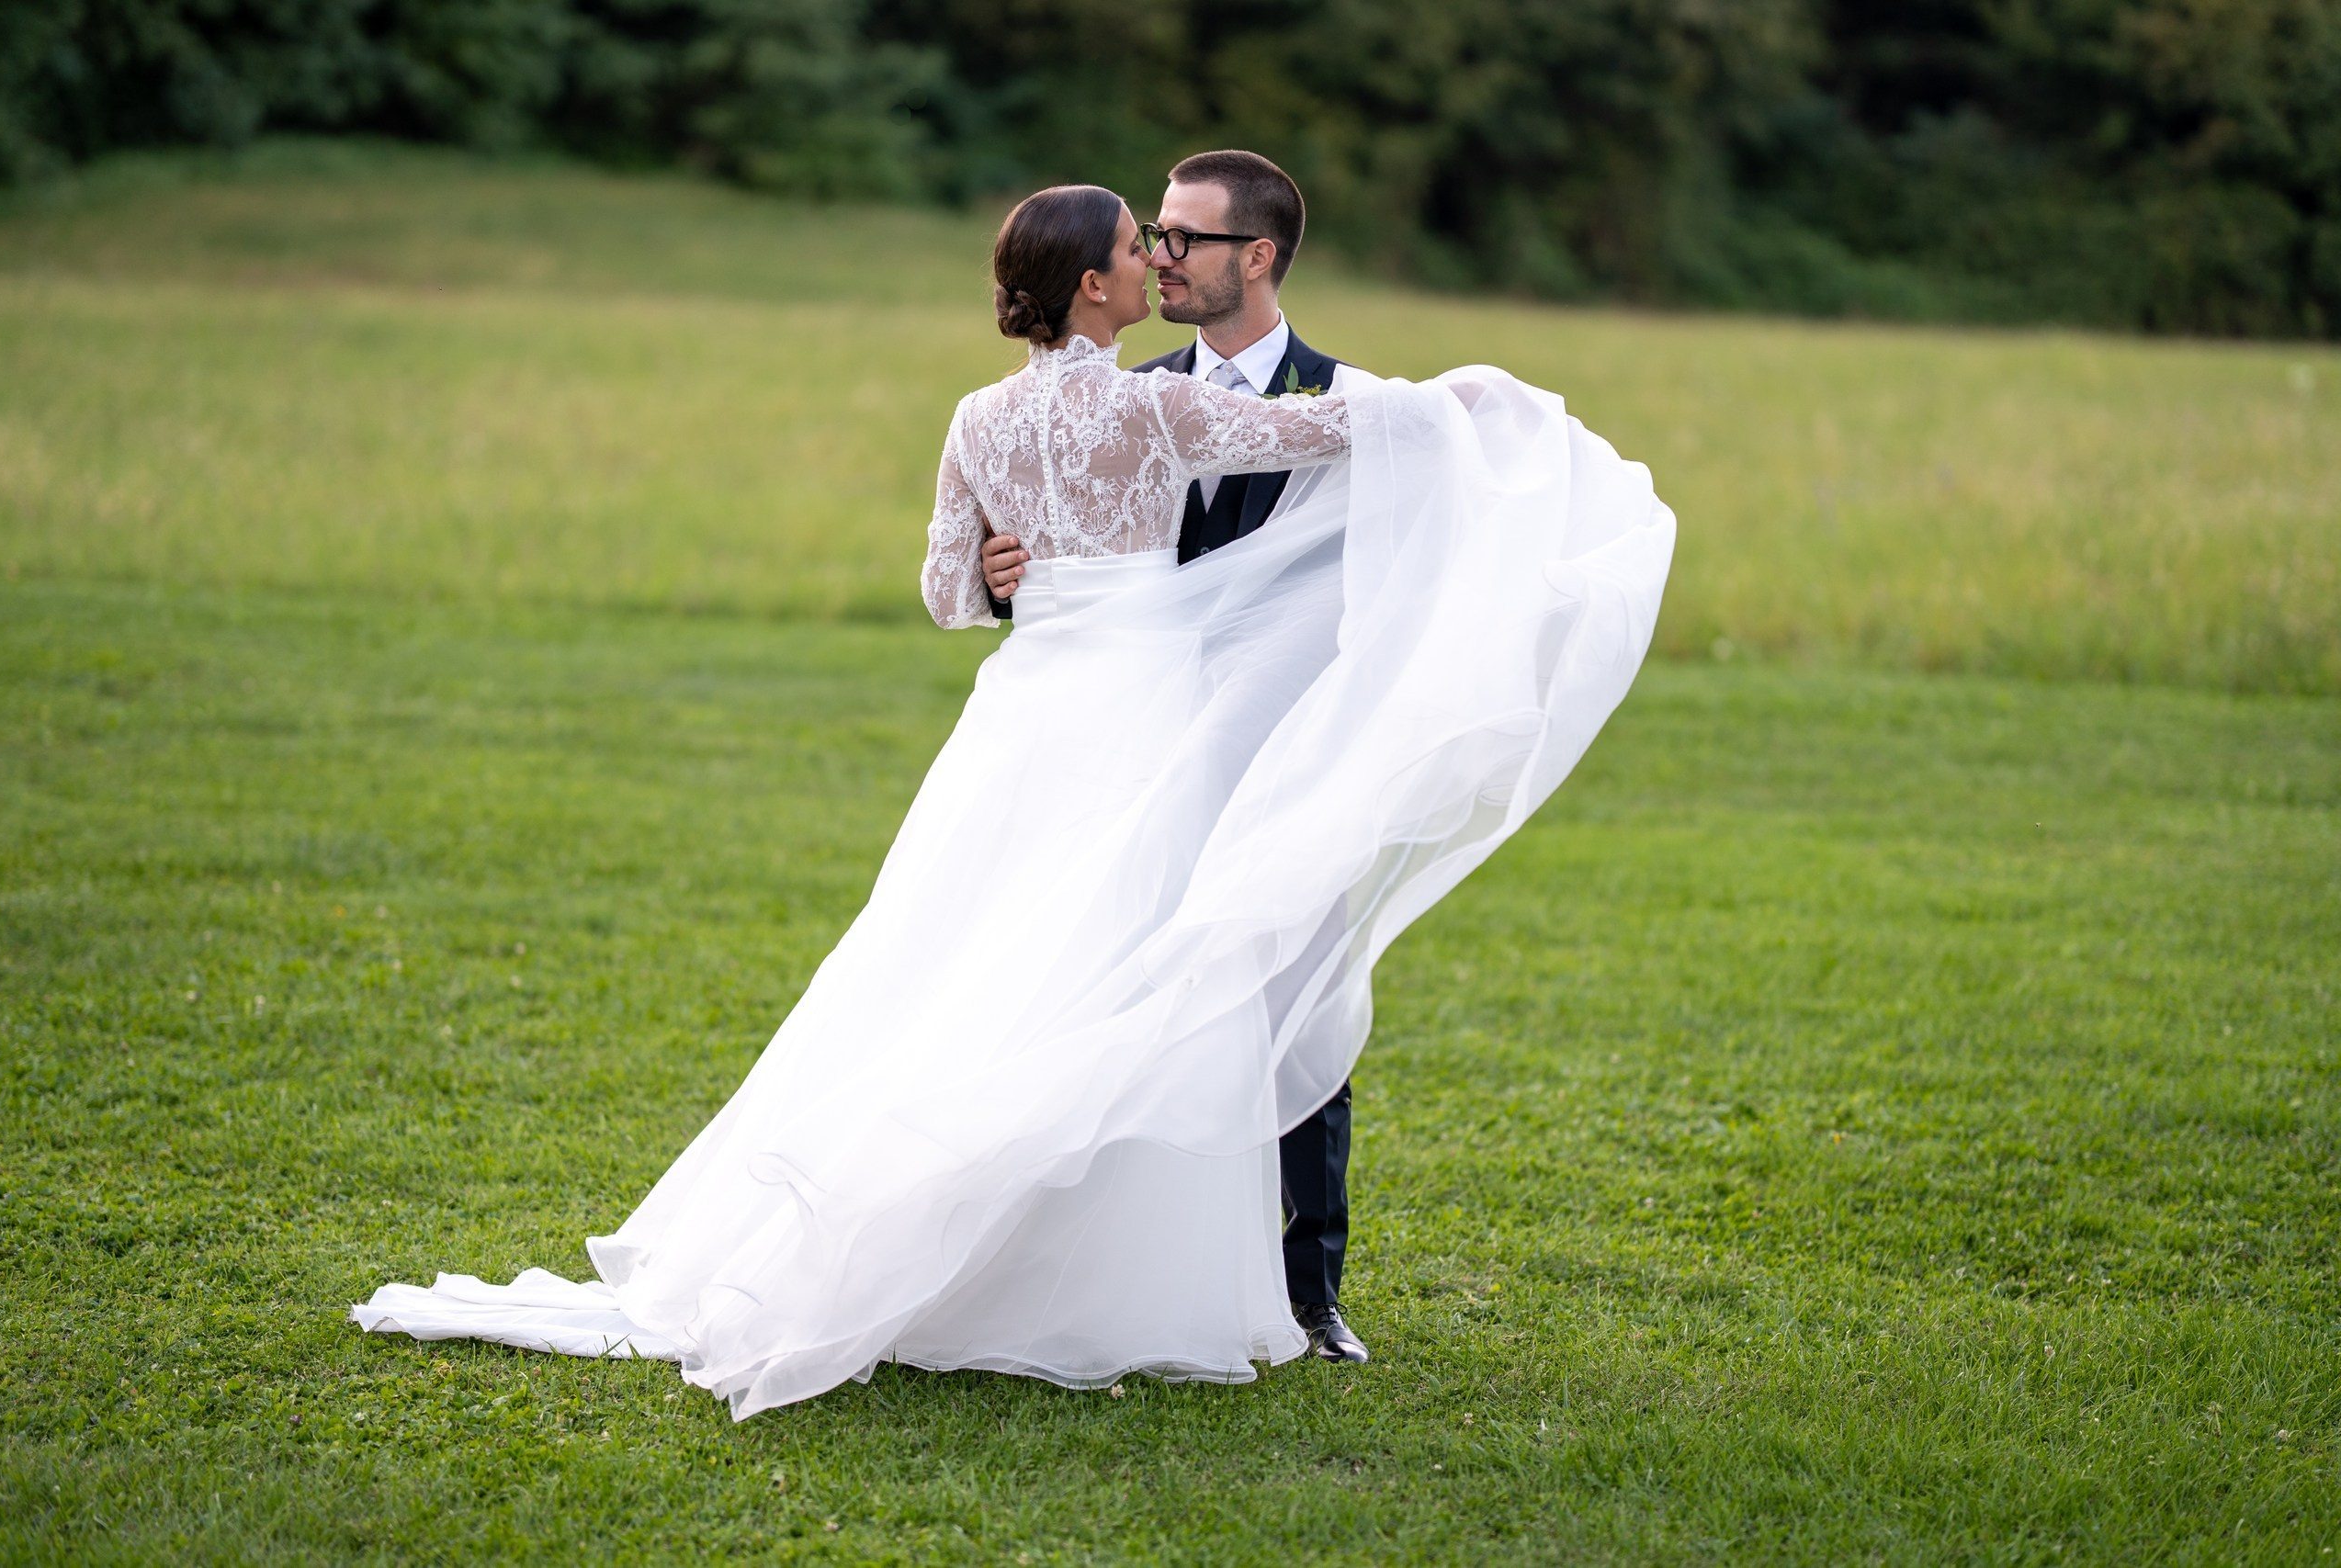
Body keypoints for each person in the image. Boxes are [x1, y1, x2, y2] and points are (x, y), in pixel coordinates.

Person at [352, 183, 1676, 1419]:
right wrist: (1480, 404)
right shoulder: (1155, 411)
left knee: (967, 956)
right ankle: (1081, 1269)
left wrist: (1001, 573)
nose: (1150, 263)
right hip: (1142, 708)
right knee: (1130, 957)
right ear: (1096, 288)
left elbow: (943, 597)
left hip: (1026, 712)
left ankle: (952, 1236)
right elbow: (1322, 431)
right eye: (1132, 250)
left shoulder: (975, 420)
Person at [982, 151, 1368, 1363]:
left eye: (1187, 239)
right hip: (1128, 756)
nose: (1159, 255)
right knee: (1113, 996)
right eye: (1151, 234)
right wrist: (1005, 581)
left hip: (1288, 752)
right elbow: (1036, 561)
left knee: (1295, 1004)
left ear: (1255, 257)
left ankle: (1310, 1295)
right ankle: (1109, 1270)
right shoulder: (1121, 396)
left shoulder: (1343, 396)